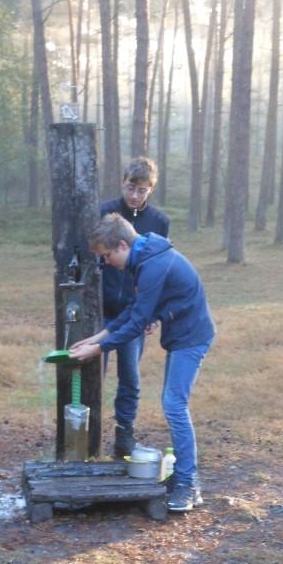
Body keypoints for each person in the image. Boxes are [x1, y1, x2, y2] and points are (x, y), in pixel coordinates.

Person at [69, 213, 215, 513]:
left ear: (122, 245)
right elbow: (135, 311)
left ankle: (188, 484)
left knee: (174, 405)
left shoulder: (153, 264)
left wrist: (98, 350)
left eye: (108, 255)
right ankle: (184, 477)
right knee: (173, 403)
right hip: (180, 335)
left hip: (192, 337)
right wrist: (95, 338)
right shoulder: (146, 258)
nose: (107, 262)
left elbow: (136, 323)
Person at [100, 157, 169, 459]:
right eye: (131, 188)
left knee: (130, 376)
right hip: (100, 307)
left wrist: (153, 312)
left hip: (134, 312)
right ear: (122, 182)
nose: (135, 196)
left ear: (151, 190)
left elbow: (159, 269)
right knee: (92, 372)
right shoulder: (104, 213)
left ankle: (123, 435)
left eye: (142, 190)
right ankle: (86, 433)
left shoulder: (159, 221)